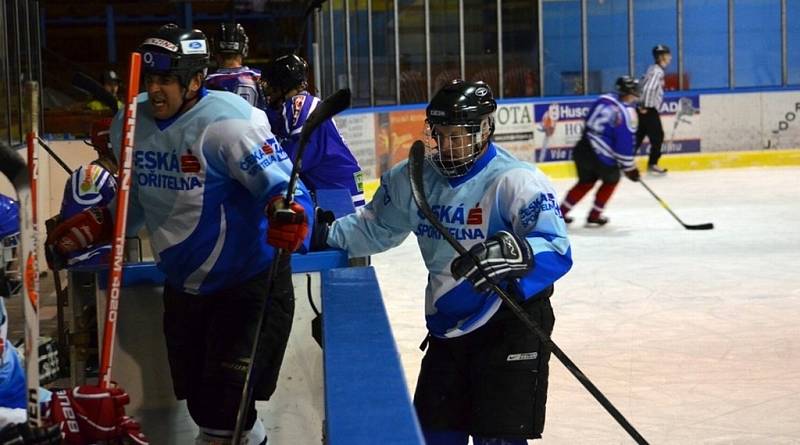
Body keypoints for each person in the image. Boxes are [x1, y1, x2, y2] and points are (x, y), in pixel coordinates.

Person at [46, 24, 314, 445]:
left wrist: (294, 215)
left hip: (248, 285)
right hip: (184, 287)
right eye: (151, 79)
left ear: (194, 80)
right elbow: (137, 201)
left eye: (166, 79)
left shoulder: (231, 123)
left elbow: (288, 191)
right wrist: (101, 223)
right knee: (205, 407)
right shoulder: (129, 123)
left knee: (227, 406)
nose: (156, 90)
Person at [325, 80, 573, 445]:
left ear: (486, 129)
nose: (449, 146)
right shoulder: (414, 179)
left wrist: (518, 254)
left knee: (499, 440)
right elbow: (375, 227)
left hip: (509, 321)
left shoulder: (515, 180)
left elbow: (557, 246)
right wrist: (320, 234)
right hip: (448, 329)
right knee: (435, 436)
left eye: (460, 135)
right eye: (441, 135)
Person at [263, 53, 366, 208]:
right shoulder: (298, 104)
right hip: (334, 185)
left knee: (333, 232)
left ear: (283, 84)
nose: (269, 91)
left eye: (273, 85)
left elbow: (291, 162)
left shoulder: (300, 104)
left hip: (335, 191)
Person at [559, 76, 642, 226]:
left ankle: (559, 214)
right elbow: (624, 142)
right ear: (630, 92)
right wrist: (630, 168)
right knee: (611, 180)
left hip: (582, 149)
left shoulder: (603, 99)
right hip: (602, 158)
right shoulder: (626, 112)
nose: (636, 96)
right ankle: (595, 215)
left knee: (585, 182)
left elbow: (588, 122)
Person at [46, 117, 118, 269]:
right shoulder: (90, 175)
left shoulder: (108, 176)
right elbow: (78, 229)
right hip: (89, 263)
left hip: (103, 259)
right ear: (110, 144)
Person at [205, 22, 267, 110]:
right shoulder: (259, 77)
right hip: (257, 123)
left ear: (214, 49)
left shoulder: (208, 82)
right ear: (244, 49)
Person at [636, 44, 671, 175]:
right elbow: (648, 88)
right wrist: (644, 106)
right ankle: (652, 164)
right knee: (658, 136)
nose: (670, 58)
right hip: (648, 109)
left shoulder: (652, 69)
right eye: (668, 55)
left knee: (638, 137)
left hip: (644, 108)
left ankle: (623, 163)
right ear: (662, 57)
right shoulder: (658, 71)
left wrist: (639, 104)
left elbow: (640, 85)